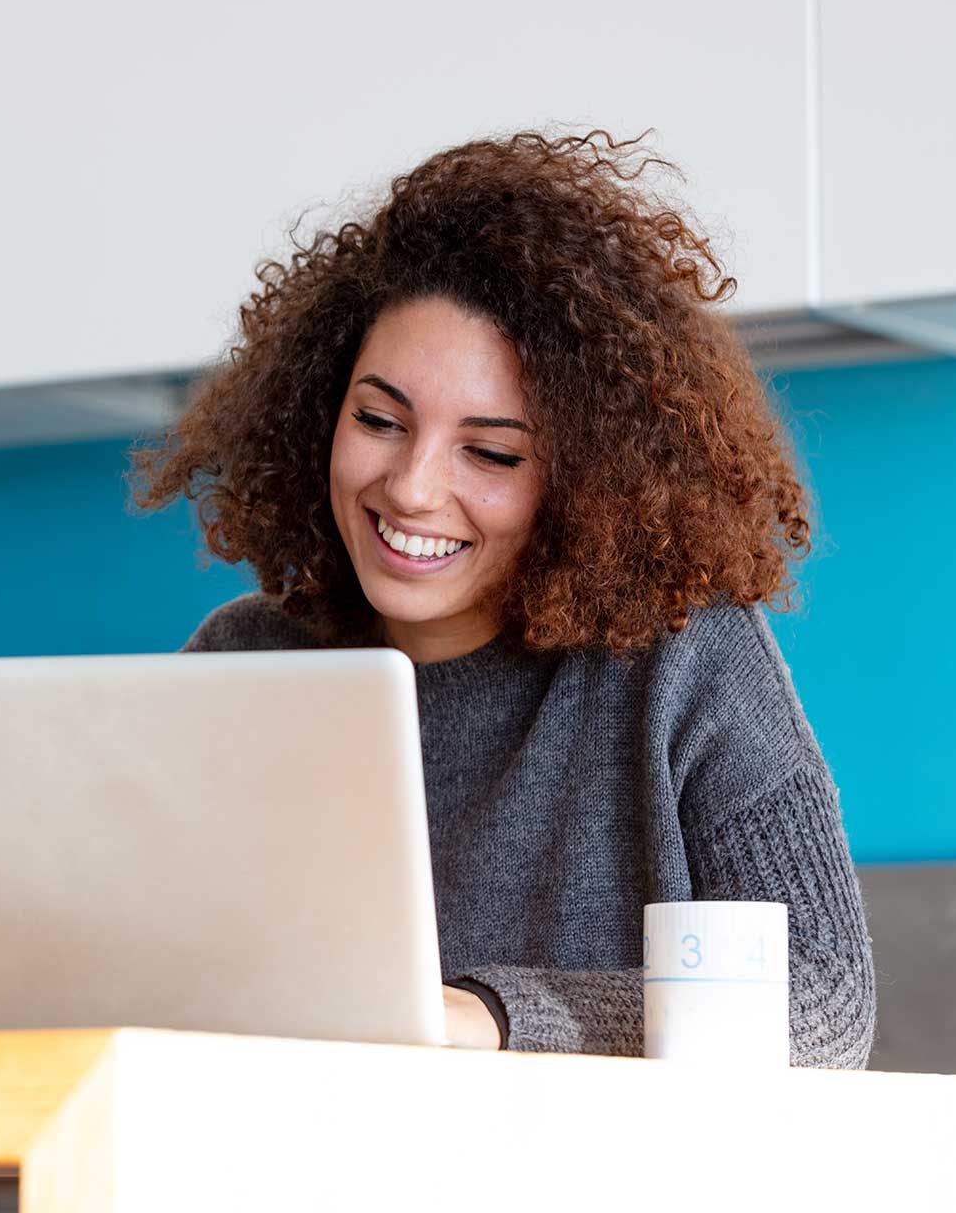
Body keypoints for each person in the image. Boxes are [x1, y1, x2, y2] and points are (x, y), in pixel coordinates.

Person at [129, 130, 876, 1066]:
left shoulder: (684, 658)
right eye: (378, 420)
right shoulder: (246, 667)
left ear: (584, 478)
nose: (410, 487)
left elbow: (826, 1000)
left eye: (490, 452)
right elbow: (140, 969)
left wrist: (491, 1016)